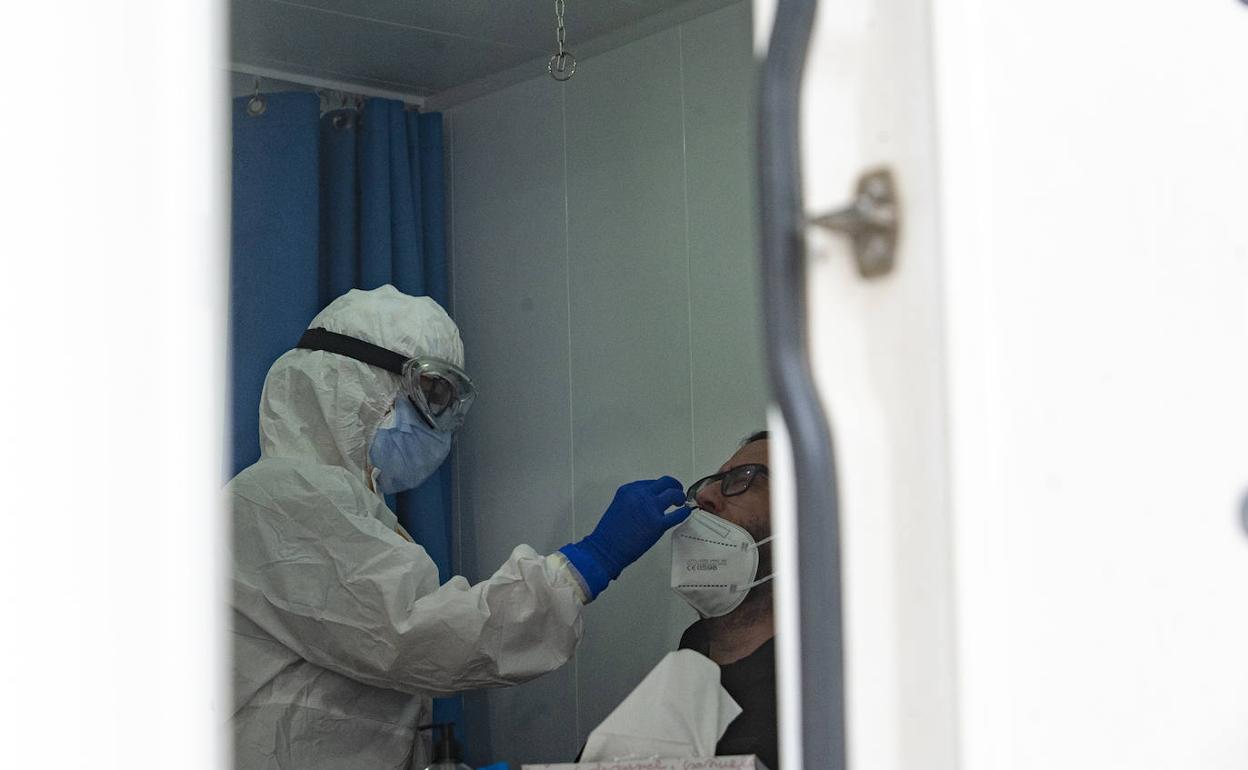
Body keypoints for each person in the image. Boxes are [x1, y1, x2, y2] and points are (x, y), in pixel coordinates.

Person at [230, 285, 691, 770]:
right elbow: (415, 636)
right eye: (430, 395)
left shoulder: (347, 509)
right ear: (354, 383)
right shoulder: (283, 498)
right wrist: (587, 564)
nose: (436, 424)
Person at [669, 430, 777, 769]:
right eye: (713, 481)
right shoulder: (692, 654)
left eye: (743, 478)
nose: (705, 495)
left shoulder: (824, 684)